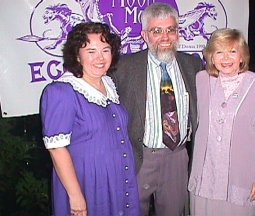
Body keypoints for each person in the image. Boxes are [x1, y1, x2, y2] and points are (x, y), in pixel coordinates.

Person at [111, 3, 203, 216]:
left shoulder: (193, 66)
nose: (165, 37)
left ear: (178, 32)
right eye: (157, 31)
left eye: (171, 30)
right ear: (145, 35)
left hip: (177, 157)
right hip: (137, 157)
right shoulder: (123, 67)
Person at [40, 22, 140, 216]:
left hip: (118, 180)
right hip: (87, 184)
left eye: (105, 50)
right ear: (77, 55)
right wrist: (76, 196)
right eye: (91, 51)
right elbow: (56, 148)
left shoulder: (109, 85)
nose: (100, 58)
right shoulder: (61, 91)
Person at [188, 28, 255, 216]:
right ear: (211, 57)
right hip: (205, 177)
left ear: (242, 56)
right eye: (219, 52)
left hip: (242, 178)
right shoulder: (201, 81)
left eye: (232, 51)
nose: (226, 58)